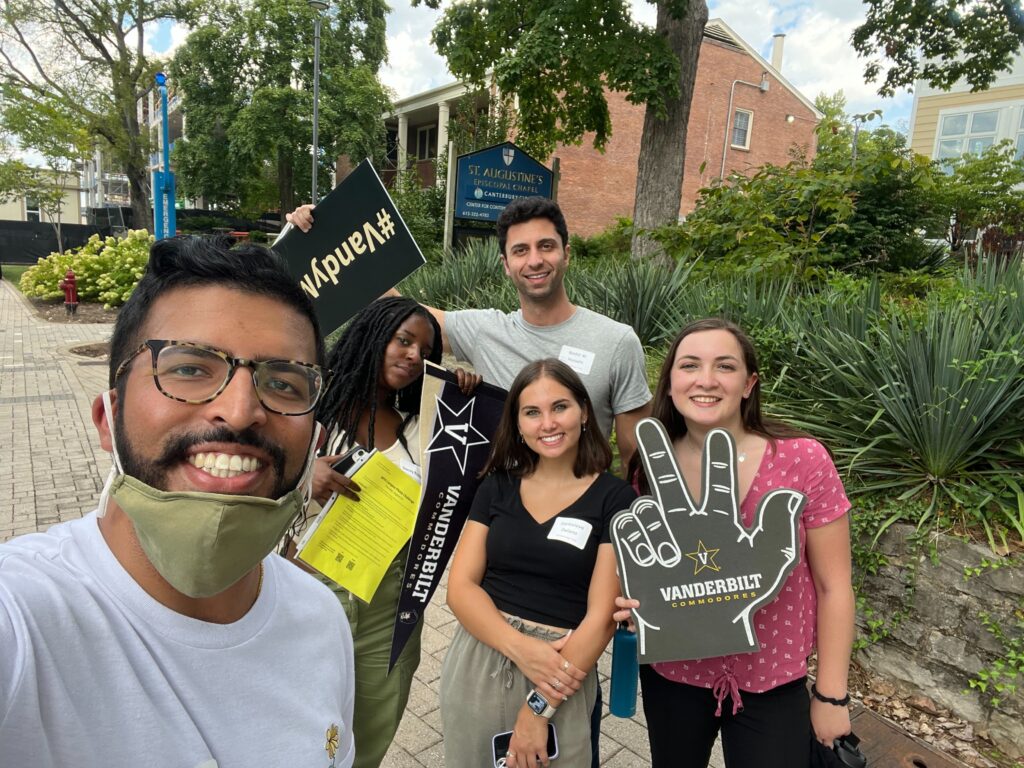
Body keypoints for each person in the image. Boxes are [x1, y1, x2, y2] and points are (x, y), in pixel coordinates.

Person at [288, 195, 652, 759]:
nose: (535, 260)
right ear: (505, 263)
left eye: (546, 246)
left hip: (579, 543)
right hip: (499, 527)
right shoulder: (482, 329)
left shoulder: (617, 341)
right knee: (478, 708)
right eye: (520, 250)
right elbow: (395, 320)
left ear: (567, 253)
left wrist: (646, 535)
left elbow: (637, 451)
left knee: (572, 702)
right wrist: (319, 235)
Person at [0, 237, 355, 767]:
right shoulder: (22, 622)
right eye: (190, 368)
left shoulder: (322, 620)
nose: (239, 411)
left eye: (282, 382)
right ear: (107, 419)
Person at [614, 318, 855, 768]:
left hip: (774, 678)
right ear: (669, 384)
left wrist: (832, 695)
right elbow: (647, 567)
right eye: (689, 366)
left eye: (724, 366)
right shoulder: (650, 467)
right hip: (675, 675)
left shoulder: (802, 461)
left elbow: (834, 586)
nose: (706, 380)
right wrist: (633, 603)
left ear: (749, 384)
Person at [297, 296, 478, 768]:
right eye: (403, 340)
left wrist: (463, 395)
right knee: (300, 716)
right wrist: (303, 478)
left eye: (425, 349)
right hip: (307, 587)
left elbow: (471, 464)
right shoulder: (310, 408)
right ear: (372, 336)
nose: (414, 355)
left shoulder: (420, 428)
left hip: (389, 595)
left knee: (376, 716)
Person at [439, 358, 637, 768]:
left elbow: (601, 617)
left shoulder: (615, 499)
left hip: (564, 669)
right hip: (480, 655)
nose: (547, 423)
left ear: (584, 410)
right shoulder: (496, 486)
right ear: (517, 424)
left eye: (559, 407)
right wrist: (523, 649)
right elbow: (460, 589)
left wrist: (537, 709)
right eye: (532, 412)